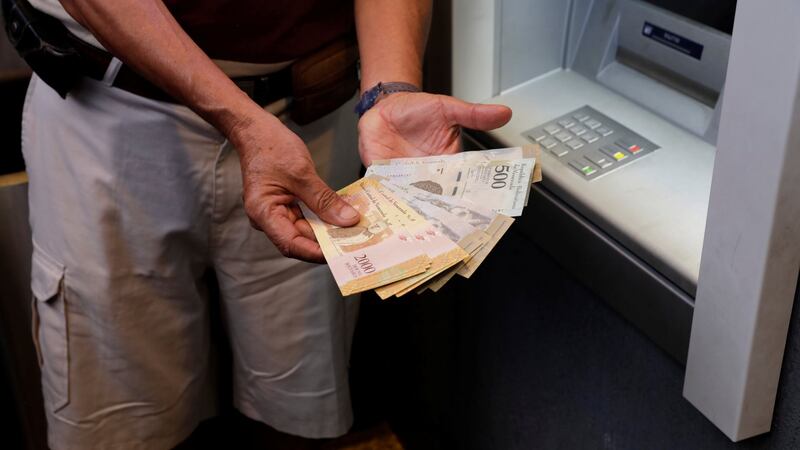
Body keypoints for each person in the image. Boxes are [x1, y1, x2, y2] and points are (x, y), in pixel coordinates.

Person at [20, 0, 512, 448]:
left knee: (300, 399)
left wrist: (390, 92)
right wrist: (242, 122)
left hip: (311, 110)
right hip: (109, 107)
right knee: (121, 412)